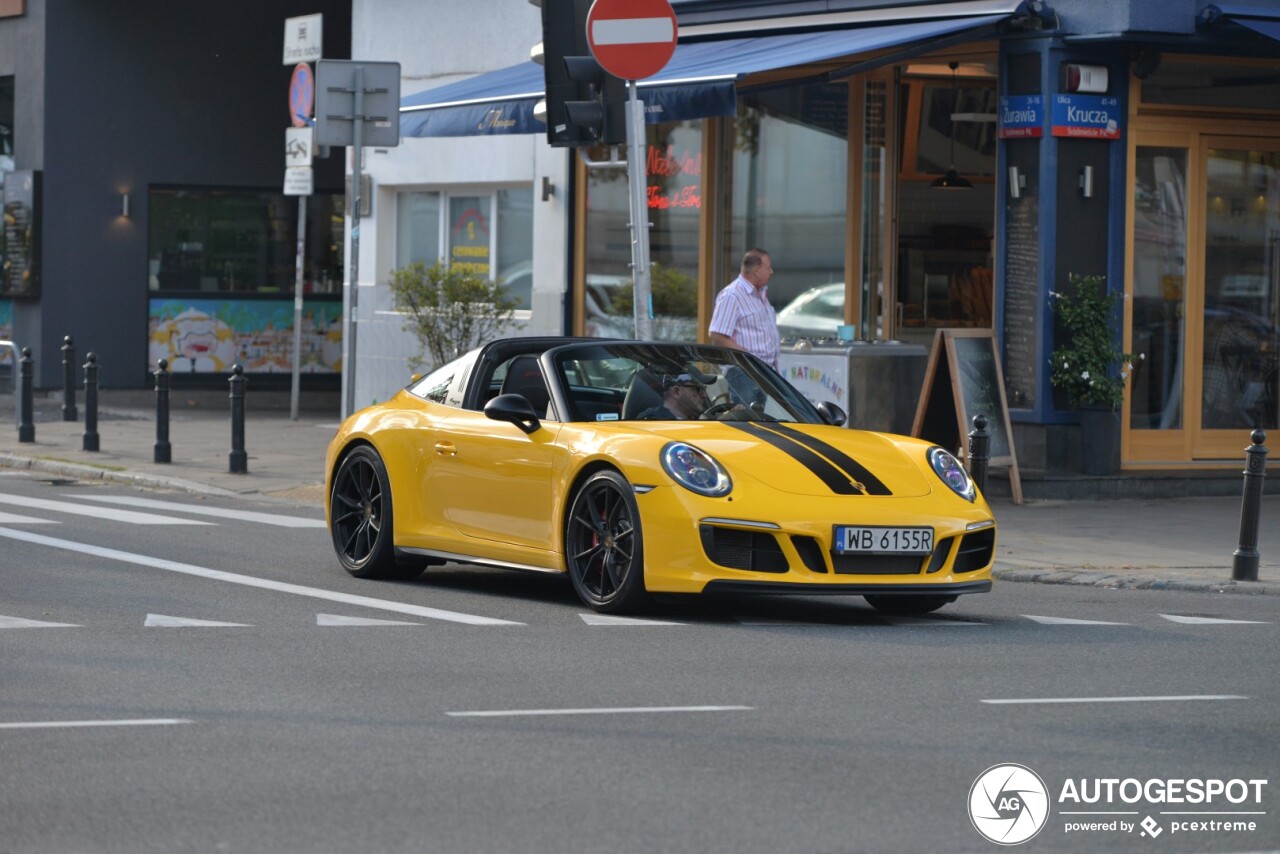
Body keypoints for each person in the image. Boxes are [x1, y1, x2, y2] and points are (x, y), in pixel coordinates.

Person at [708, 248, 780, 369]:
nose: (771, 272)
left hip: (765, 371)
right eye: (768, 268)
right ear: (756, 270)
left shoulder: (761, 294)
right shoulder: (732, 295)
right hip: (743, 371)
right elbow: (716, 334)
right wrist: (747, 358)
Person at [636, 373, 710, 420]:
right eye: (698, 389)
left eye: (704, 389)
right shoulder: (653, 421)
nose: (704, 395)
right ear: (676, 392)